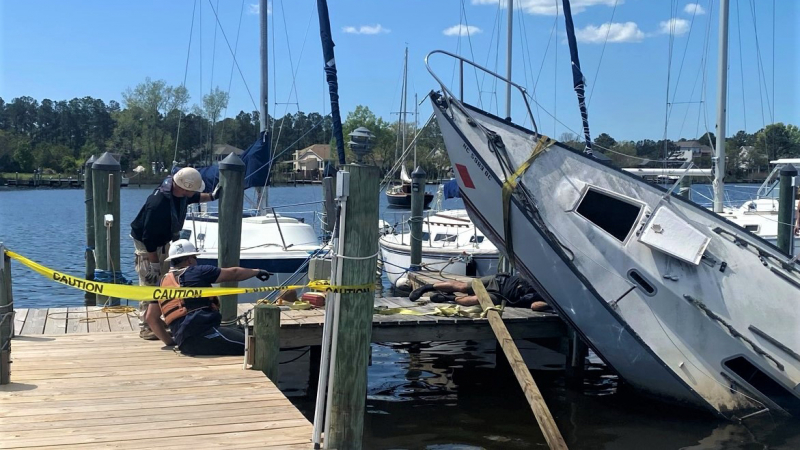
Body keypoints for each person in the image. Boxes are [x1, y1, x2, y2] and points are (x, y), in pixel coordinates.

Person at [130, 167, 221, 340]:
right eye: (191, 189)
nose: (193, 193)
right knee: (149, 283)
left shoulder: (179, 194)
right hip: (147, 245)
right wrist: (154, 263)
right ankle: (146, 326)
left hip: (163, 241)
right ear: (184, 187)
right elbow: (147, 237)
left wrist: (212, 196)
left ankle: (157, 320)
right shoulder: (157, 204)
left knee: (163, 282)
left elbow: (194, 197)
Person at [144, 239, 272, 356]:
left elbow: (151, 318)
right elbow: (234, 273)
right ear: (189, 259)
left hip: (185, 343)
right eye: (195, 257)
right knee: (258, 346)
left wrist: (170, 342)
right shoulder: (199, 271)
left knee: (242, 335)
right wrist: (257, 271)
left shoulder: (161, 284)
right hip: (205, 335)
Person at [408, 273, 550, 311]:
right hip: (500, 280)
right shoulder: (543, 277)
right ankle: (427, 287)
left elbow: (534, 306)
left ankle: (448, 298)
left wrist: (552, 305)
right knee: (463, 287)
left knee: (474, 300)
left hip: (500, 297)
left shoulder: (550, 298)